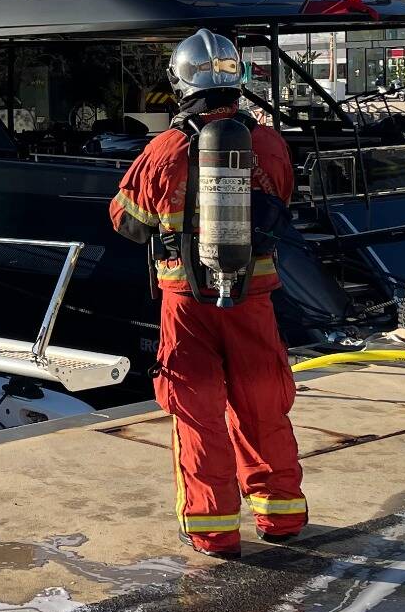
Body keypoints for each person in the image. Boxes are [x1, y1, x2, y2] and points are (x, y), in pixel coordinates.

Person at [108, 29, 305, 558]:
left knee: (196, 411)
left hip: (187, 303)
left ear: (180, 82)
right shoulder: (268, 143)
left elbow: (126, 219)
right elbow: (282, 201)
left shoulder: (165, 148)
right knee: (263, 403)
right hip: (254, 299)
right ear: (236, 80)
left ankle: (213, 529)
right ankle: (280, 515)